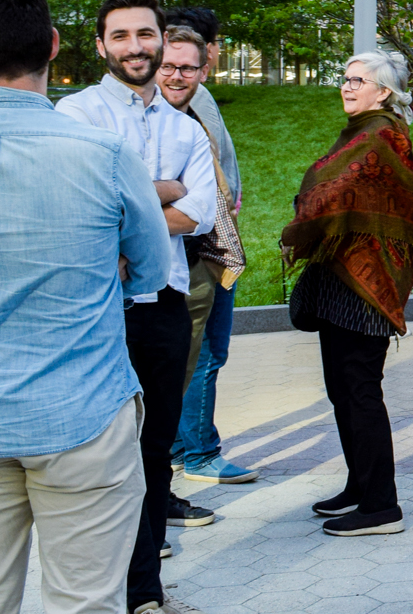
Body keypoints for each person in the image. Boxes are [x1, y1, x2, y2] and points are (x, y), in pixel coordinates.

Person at [0, 0, 174, 614]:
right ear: (54, 45)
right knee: (85, 601)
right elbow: (149, 273)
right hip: (82, 412)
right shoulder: (105, 154)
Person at [55, 0, 217, 612]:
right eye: (120, 35)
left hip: (164, 304)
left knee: (154, 452)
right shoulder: (75, 114)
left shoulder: (186, 129)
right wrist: (161, 192)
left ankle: (143, 590)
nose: (135, 46)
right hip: (97, 308)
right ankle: (97, 584)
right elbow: (79, 203)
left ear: (161, 40)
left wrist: (129, 210)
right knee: (98, 451)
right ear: (101, 45)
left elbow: (199, 213)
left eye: (145, 34)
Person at [281, 51, 413, 537]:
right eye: (344, 79)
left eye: (358, 80)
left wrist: (308, 207)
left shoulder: (383, 134)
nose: (347, 87)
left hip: (366, 284)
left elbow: (336, 191)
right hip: (340, 277)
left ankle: (382, 505)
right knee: (341, 390)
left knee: (361, 390)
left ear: (383, 91)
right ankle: (360, 485)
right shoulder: (360, 130)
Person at [153, 27, 245, 539]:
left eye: (187, 67)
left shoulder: (196, 115)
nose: (176, 75)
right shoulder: (144, 122)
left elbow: (203, 205)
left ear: (204, 68)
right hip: (160, 270)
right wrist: (174, 194)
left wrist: (176, 197)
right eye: (168, 65)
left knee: (203, 358)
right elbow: (127, 201)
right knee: (173, 372)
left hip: (208, 254)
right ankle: (193, 458)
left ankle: (176, 465)